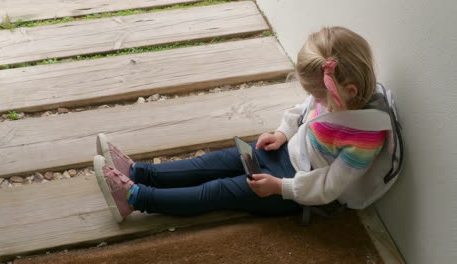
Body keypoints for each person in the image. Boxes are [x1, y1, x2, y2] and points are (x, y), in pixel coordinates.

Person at [93, 26, 388, 223]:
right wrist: (282, 133)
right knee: (213, 161)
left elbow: (328, 187)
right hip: (284, 154)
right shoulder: (337, 94)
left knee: (218, 190)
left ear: (348, 90)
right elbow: (303, 111)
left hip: (294, 189)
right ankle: (138, 172)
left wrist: (280, 188)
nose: (313, 99)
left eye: (316, 93)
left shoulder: (365, 137)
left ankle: (135, 198)